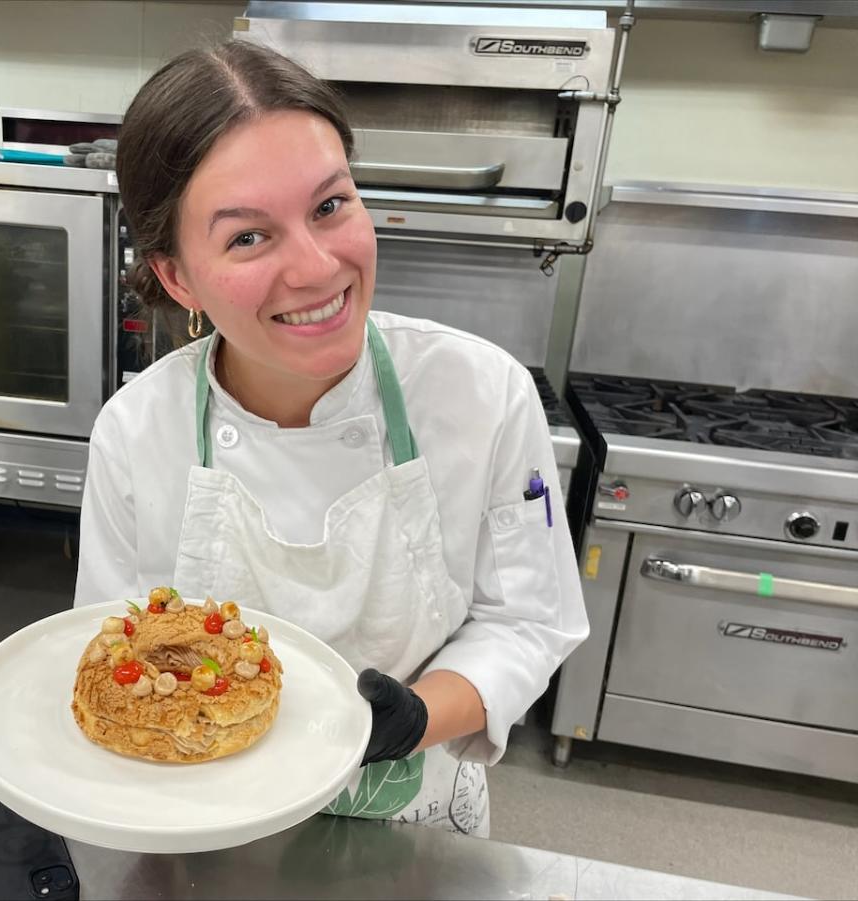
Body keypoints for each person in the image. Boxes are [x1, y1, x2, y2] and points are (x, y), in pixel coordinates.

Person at [74, 40, 588, 837]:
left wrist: (416, 717)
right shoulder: (137, 429)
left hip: (418, 818)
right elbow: (115, 650)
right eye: (248, 237)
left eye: (329, 206)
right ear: (178, 277)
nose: (316, 269)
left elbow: (527, 619)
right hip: (202, 816)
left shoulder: (482, 395)